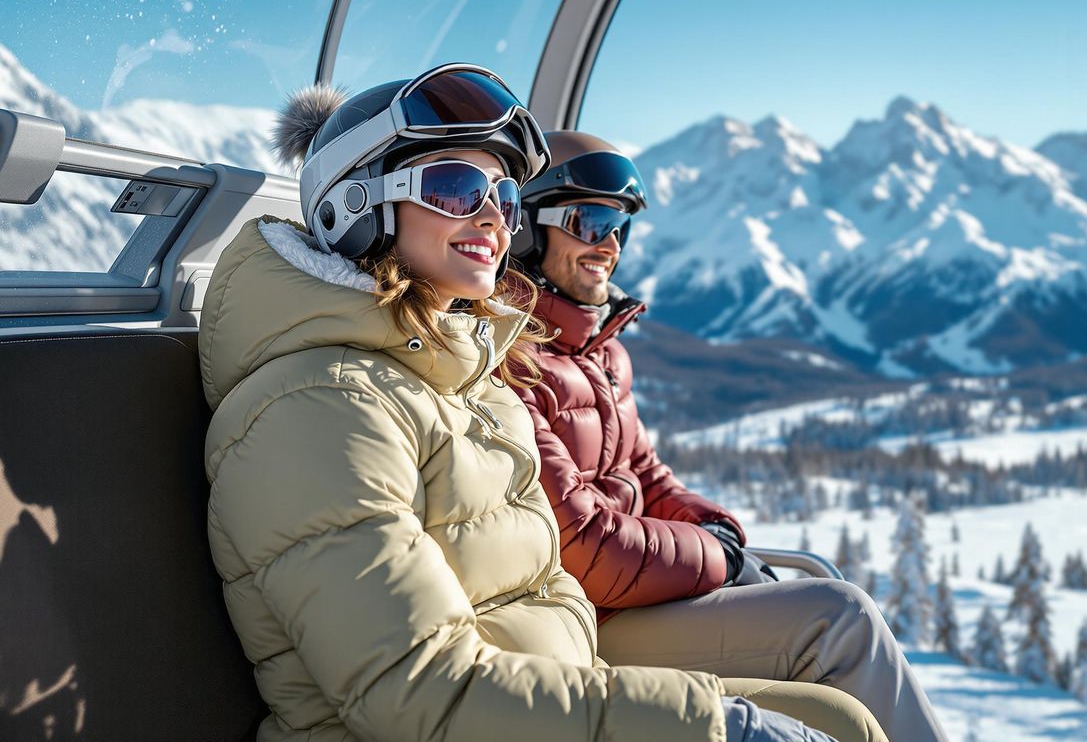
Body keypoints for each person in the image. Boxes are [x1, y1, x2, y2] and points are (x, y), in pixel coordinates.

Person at [200, 65, 885, 742]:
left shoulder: (466, 380)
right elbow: (424, 694)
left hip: (546, 692)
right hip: (461, 720)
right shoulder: (314, 408)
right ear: (352, 208)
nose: (494, 216)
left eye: (503, 194)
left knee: (841, 721)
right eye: (456, 188)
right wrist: (711, 723)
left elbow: (554, 585)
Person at [511, 131, 949, 742]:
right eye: (588, 220)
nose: (609, 243)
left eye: (620, 226)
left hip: (644, 594)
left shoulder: (599, 355)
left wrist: (718, 529)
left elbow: (649, 476)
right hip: (589, 617)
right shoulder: (515, 363)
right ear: (524, 229)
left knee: (832, 625)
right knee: (838, 619)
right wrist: (721, 560)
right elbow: (584, 549)